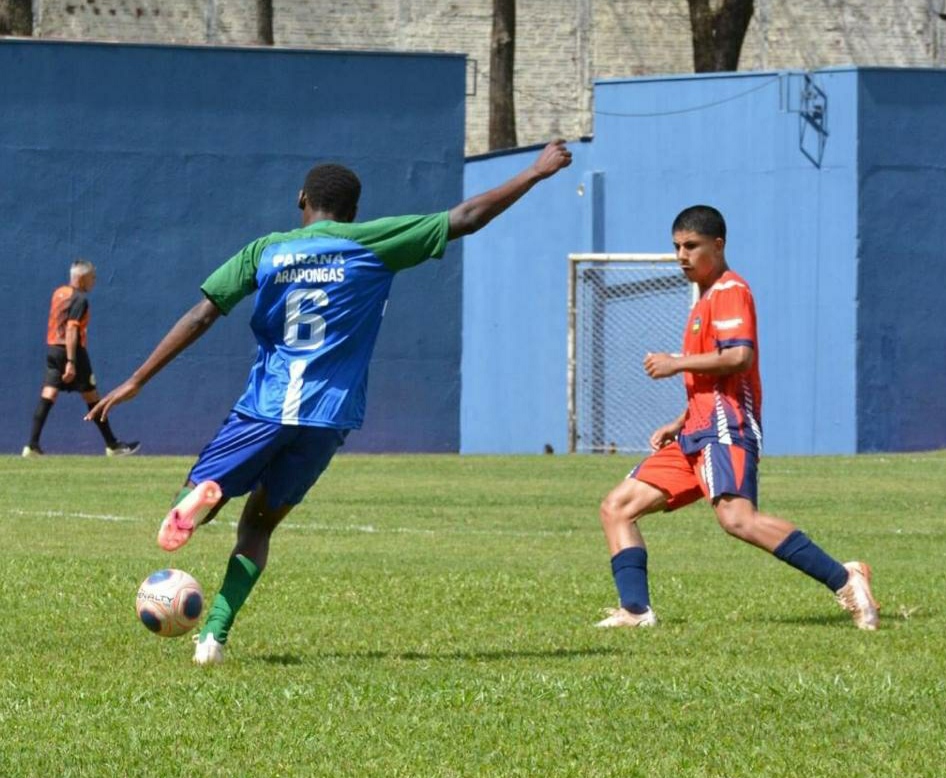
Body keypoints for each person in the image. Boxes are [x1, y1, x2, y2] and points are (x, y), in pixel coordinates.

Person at [87, 140, 573, 665]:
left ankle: (209, 491)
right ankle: (214, 636)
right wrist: (535, 172)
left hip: (266, 406)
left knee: (206, 488)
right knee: (259, 527)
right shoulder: (373, 242)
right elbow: (467, 217)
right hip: (329, 416)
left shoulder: (266, 250)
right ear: (353, 211)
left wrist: (138, 378)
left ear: (302, 200)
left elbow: (203, 314)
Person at [595, 205, 878, 631]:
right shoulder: (704, 300)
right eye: (676, 247)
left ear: (718, 245)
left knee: (738, 519)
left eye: (692, 246)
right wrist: (680, 419)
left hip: (726, 429)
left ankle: (845, 579)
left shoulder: (730, 290)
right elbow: (711, 377)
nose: (682, 255)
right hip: (695, 432)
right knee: (617, 506)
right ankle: (635, 611)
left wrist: (676, 362)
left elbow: (739, 357)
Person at [23, 260, 140, 458]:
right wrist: (71, 361)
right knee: (92, 396)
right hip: (72, 351)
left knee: (49, 393)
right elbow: (71, 328)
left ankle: (32, 445)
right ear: (82, 278)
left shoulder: (59, 293)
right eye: (92, 277)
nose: (94, 281)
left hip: (53, 349)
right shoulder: (79, 299)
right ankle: (113, 445)